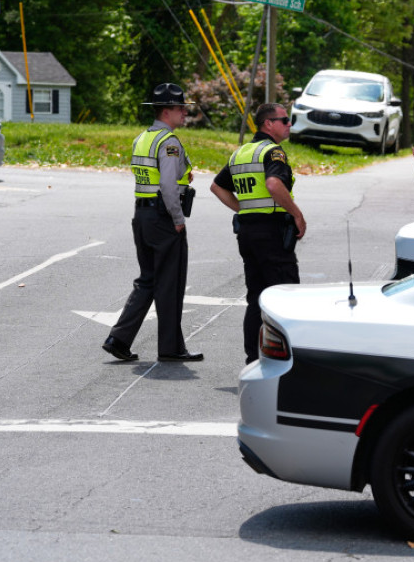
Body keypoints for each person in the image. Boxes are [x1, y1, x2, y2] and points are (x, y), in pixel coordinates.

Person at [102, 83, 202, 363]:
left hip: (142, 214)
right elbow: (168, 186)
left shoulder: (142, 138)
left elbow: (152, 175)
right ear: (168, 111)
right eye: (181, 108)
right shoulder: (168, 142)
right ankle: (171, 348)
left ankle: (118, 339)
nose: (185, 113)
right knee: (170, 282)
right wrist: (178, 219)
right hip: (163, 216)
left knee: (148, 280)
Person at [210, 102, 306, 364]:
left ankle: (253, 358)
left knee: (256, 298)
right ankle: (285, 358)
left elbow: (217, 187)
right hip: (272, 231)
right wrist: (296, 213)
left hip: (248, 231)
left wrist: (245, 209)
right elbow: (274, 184)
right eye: (284, 120)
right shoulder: (273, 152)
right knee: (283, 294)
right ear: (268, 124)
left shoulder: (241, 153)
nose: (289, 124)